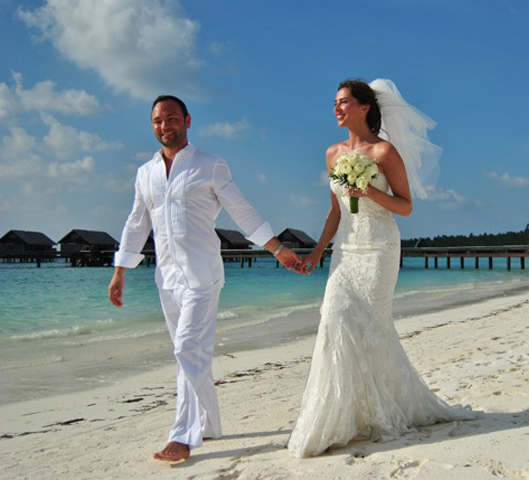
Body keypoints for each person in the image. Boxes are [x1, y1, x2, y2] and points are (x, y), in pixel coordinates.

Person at [288, 79, 480, 458]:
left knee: (373, 327)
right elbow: (334, 211)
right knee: (334, 318)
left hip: (379, 247)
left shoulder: (384, 151)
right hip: (346, 250)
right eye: (335, 102)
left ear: (364, 107)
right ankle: (339, 416)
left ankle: (378, 409)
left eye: (344, 102)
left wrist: (370, 192)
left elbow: (406, 206)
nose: (336, 108)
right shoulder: (331, 153)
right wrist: (316, 253)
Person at [108, 95, 300, 462]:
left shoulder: (210, 165)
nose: (164, 125)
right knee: (193, 354)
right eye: (157, 120)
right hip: (167, 279)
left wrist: (276, 248)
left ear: (187, 120)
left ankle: (183, 434)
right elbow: (136, 223)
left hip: (202, 276)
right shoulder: (145, 173)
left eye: (171, 118)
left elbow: (240, 209)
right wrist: (120, 272)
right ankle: (210, 425)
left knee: (186, 348)